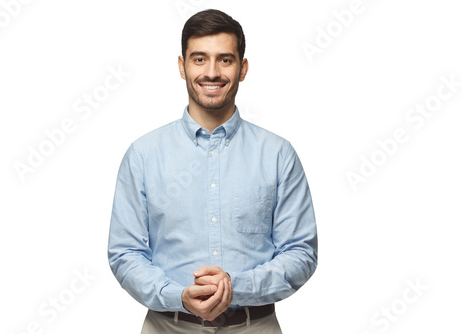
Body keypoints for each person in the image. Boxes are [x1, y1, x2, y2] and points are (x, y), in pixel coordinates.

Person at [108, 9, 318, 333]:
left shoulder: (278, 155)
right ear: (182, 66)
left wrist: (236, 286)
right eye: (199, 59)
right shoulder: (143, 156)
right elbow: (125, 254)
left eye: (225, 59)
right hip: (168, 326)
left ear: (242, 68)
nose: (212, 72)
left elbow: (301, 252)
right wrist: (177, 295)